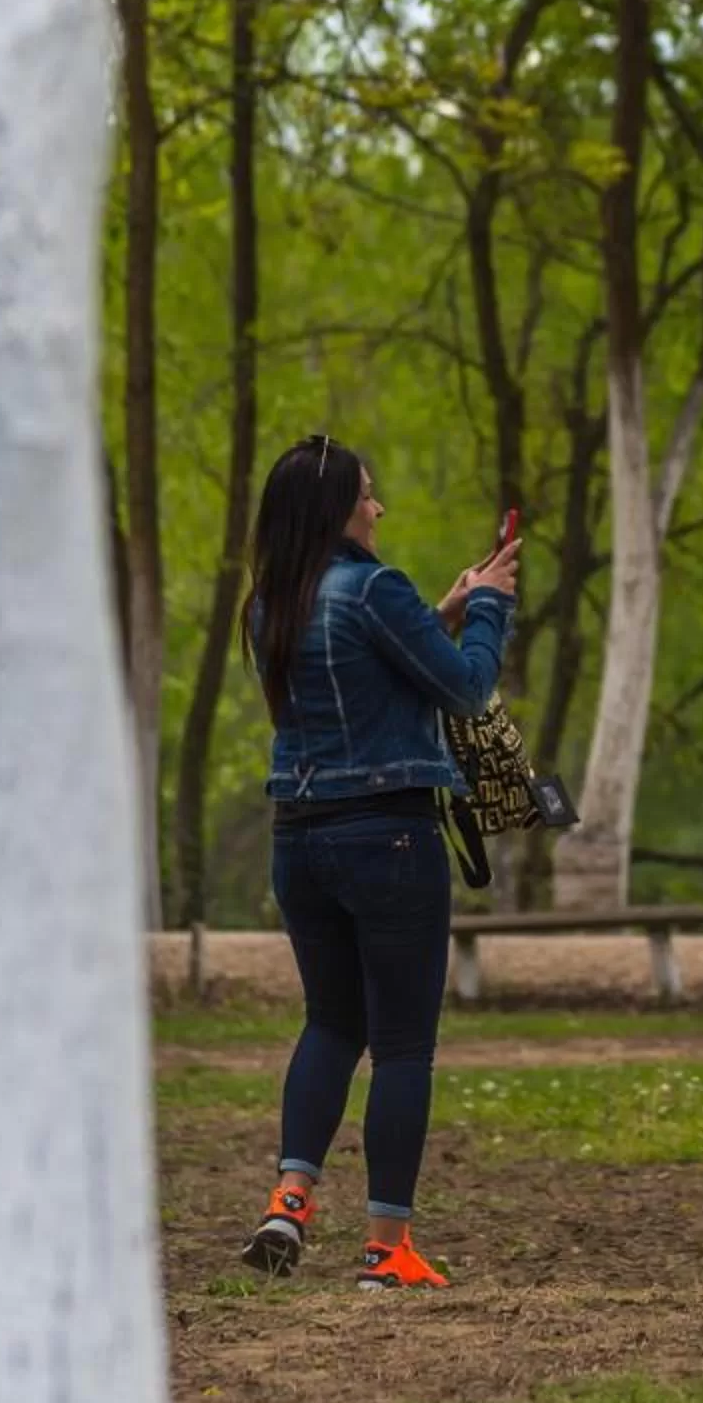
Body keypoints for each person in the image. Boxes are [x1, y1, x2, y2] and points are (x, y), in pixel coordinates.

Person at [236, 434, 519, 1290]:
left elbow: (363, 679)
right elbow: (466, 690)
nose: (378, 507)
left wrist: (442, 613)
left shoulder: (267, 604)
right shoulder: (373, 588)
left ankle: (289, 1200)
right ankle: (387, 1248)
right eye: (368, 493)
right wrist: (493, 610)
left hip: (300, 839)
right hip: (390, 838)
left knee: (330, 1023)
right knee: (402, 1047)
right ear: (337, 508)